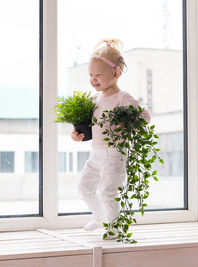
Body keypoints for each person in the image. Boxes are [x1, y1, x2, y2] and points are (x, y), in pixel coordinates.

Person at [71, 39, 151, 237]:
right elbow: (90, 126)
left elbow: (145, 116)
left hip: (115, 154)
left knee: (109, 192)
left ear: (116, 73)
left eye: (98, 75)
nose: (93, 79)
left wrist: (127, 123)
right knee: (84, 188)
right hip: (96, 153)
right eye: (91, 75)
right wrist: (78, 134)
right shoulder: (95, 99)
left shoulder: (122, 98)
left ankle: (114, 229)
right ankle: (100, 219)